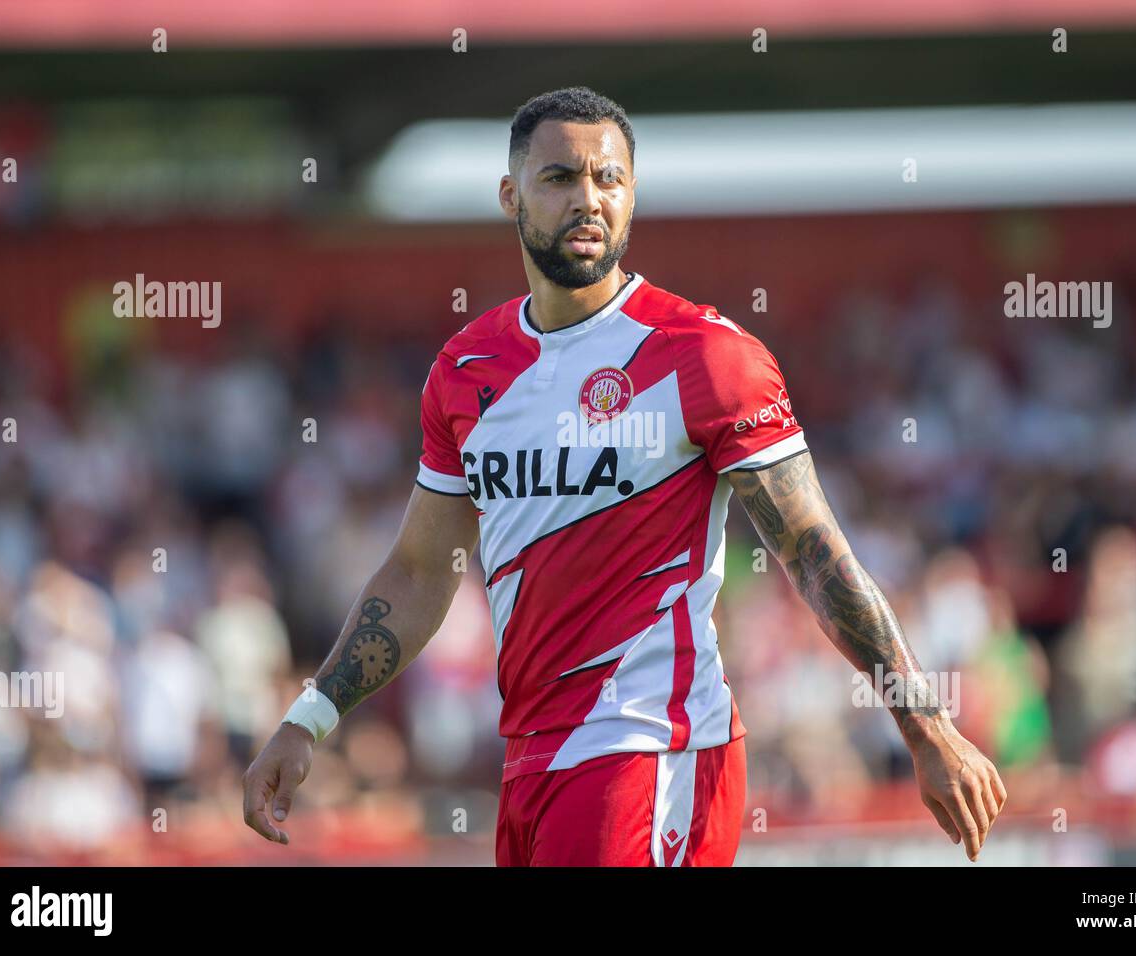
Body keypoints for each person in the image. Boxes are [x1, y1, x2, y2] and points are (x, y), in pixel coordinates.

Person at [243, 86, 1006, 866]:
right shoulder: (466, 369)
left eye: (609, 179)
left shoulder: (704, 355)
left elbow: (812, 550)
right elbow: (416, 572)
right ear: (511, 196)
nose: (589, 200)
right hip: (533, 763)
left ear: (632, 193)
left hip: (651, 748)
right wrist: (310, 718)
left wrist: (926, 723)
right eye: (561, 179)